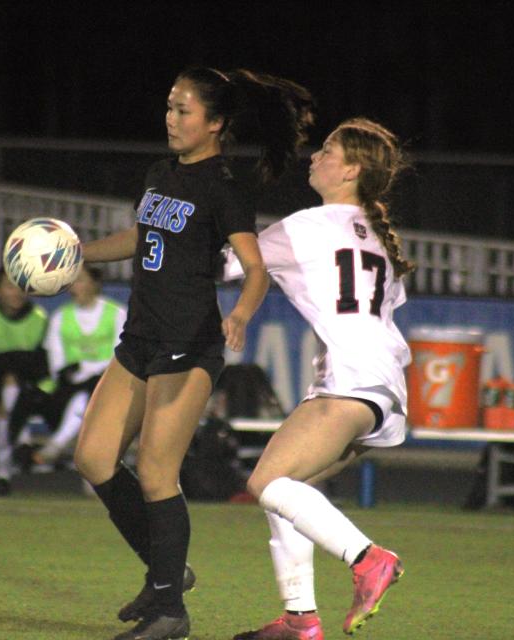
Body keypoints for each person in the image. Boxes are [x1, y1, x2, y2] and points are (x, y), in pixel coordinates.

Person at [73, 66, 313, 640]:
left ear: (215, 124)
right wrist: (77, 256)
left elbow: (255, 269)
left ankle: (169, 613)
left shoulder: (223, 186)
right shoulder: (159, 173)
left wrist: (241, 313)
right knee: (94, 458)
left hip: (188, 343)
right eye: (169, 106)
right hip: (141, 339)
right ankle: (167, 574)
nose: (171, 118)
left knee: (157, 471)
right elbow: (141, 236)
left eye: (184, 110)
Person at [224, 117, 414, 640]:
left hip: (349, 381)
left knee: (267, 483)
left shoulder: (304, 227)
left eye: (328, 149)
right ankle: (299, 620)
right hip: (386, 389)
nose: (315, 156)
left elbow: (223, 268)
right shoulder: (377, 237)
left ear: (352, 168)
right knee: (290, 491)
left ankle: (368, 558)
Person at [31, 265, 126, 467]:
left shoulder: (117, 313)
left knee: (89, 398)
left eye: (81, 280)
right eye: (72, 282)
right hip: (69, 384)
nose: (75, 287)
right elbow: (56, 361)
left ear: (95, 283)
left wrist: (86, 368)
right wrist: (76, 373)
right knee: (81, 398)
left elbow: (121, 355)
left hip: (109, 383)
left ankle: (57, 446)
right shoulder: (60, 317)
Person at [0, 269, 53, 495]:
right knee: (9, 391)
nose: (15, 292)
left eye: (20, 285)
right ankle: (22, 444)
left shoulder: (39, 318)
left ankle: (2, 474)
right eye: (9, 285)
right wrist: (4, 376)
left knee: (12, 392)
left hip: (34, 390)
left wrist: (10, 369)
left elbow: (40, 364)